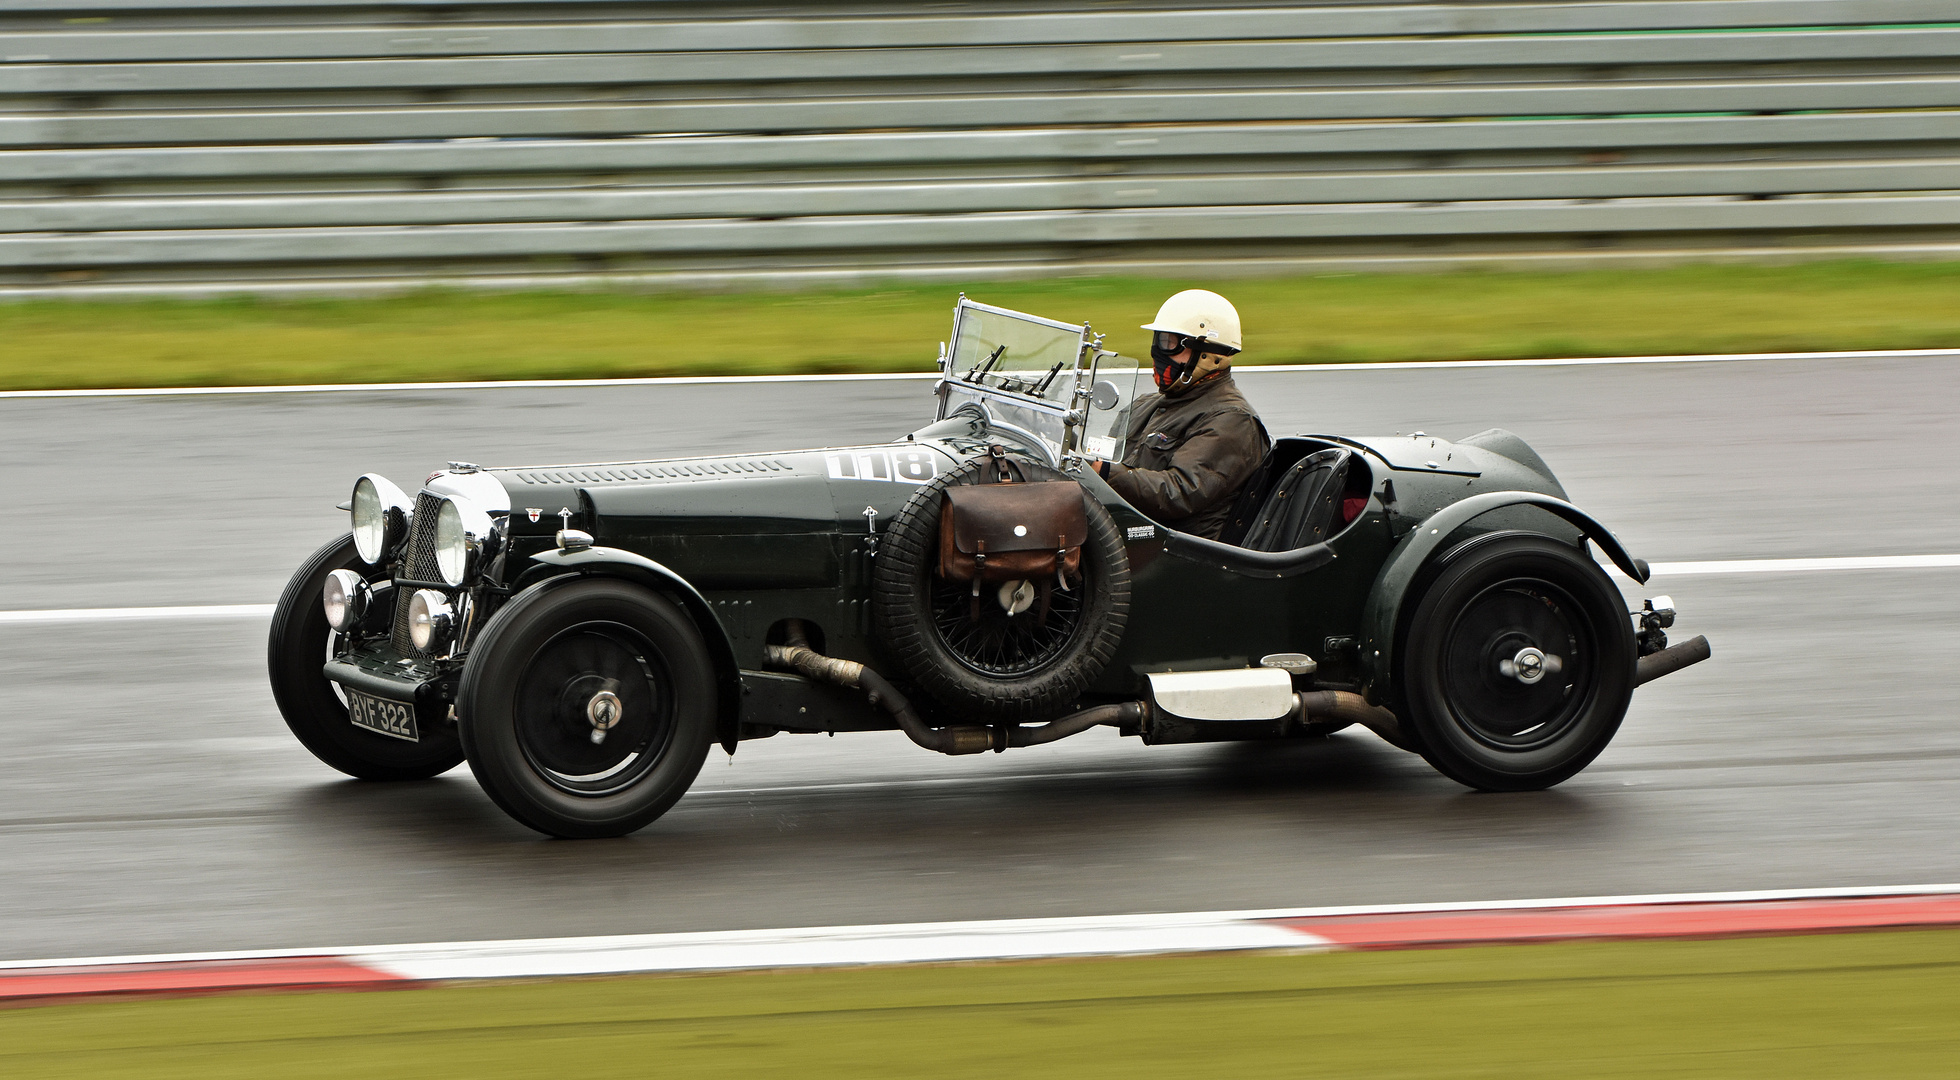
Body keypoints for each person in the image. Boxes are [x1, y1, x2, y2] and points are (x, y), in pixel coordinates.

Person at [1092, 289, 1269, 540]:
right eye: (1158, 340)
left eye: (1169, 343)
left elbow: (1179, 492)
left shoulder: (1232, 420)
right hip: (1116, 533)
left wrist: (1107, 473)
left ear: (1208, 353)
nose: (1157, 352)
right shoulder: (1145, 405)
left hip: (1172, 552)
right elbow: (1099, 459)